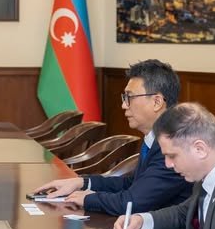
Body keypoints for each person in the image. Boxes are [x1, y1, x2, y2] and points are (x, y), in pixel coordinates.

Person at [34, 59, 191, 214]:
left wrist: (87, 199)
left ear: (157, 102)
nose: (123, 105)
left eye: (129, 97)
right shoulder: (158, 136)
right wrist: (81, 183)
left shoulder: (174, 145)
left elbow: (132, 202)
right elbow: (132, 184)